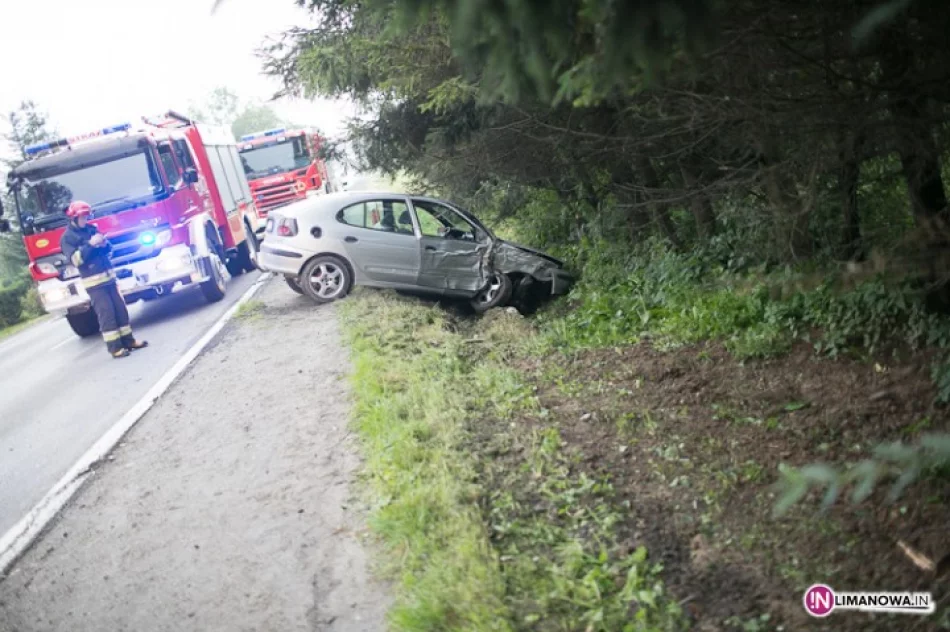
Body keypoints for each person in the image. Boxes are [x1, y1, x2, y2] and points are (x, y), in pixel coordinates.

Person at [60, 200, 148, 359]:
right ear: (73, 218)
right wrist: (91, 245)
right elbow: (76, 260)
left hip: (109, 278)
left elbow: (109, 251)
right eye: (82, 217)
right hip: (94, 284)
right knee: (107, 314)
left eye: (86, 216)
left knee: (120, 310)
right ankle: (115, 348)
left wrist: (104, 244)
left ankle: (129, 341)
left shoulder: (91, 229)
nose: (85, 219)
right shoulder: (68, 238)